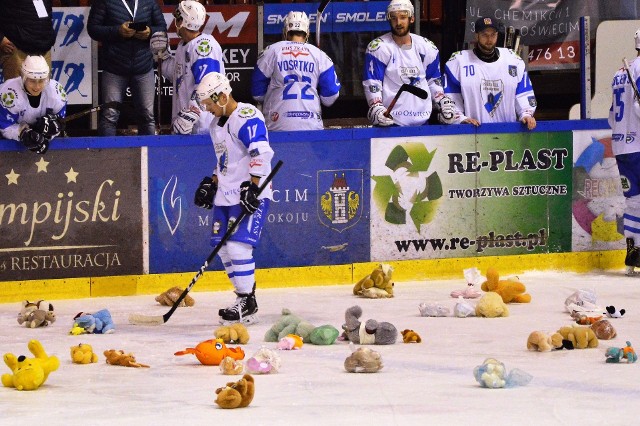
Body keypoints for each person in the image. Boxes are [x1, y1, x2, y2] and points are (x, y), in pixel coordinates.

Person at [194, 72, 274, 325]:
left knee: (239, 246)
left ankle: (248, 302)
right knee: (223, 249)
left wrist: (253, 187)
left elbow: (260, 152)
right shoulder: (215, 125)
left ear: (221, 96)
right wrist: (211, 182)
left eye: (208, 103)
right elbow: (225, 161)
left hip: (247, 193)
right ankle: (242, 297)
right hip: (225, 194)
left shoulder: (247, 117)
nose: (207, 109)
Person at [362, 0, 455, 127]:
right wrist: (376, 106)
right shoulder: (379, 47)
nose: (398, 22)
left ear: (412, 19)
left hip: (423, 122)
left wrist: (441, 101)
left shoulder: (427, 47)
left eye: (403, 17)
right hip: (390, 122)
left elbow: (433, 80)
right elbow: (373, 83)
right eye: (393, 18)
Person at [251, 11, 341, 131]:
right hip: (311, 125)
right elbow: (330, 97)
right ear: (307, 32)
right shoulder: (320, 56)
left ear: (286, 31)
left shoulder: (271, 51)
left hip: (277, 124)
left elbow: (257, 94)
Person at [87, 0, 166, 136]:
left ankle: (150, 155)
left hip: (143, 67)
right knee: (109, 116)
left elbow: (162, 27)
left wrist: (150, 32)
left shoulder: (150, 1)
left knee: (147, 117)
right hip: (114, 68)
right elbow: (93, 28)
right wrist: (117, 31)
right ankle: (106, 156)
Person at [443, 17, 537, 130]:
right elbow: (450, 96)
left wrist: (526, 114)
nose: (489, 39)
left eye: (493, 34)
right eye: (484, 35)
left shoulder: (513, 60)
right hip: (473, 133)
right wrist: (460, 119)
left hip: (509, 133)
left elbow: (523, 93)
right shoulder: (458, 61)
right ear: (476, 36)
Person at [150, 1, 225, 135]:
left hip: (204, 126)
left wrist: (191, 114)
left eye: (177, 19)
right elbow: (178, 76)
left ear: (181, 22)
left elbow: (210, 87)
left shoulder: (204, 47)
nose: (175, 23)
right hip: (185, 124)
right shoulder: (184, 45)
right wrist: (162, 56)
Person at [609, 29, 640, 275]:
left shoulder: (621, 73)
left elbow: (612, 116)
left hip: (622, 145)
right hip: (639, 144)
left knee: (634, 201)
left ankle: (633, 252)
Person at [0, 55, 66, 154]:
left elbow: (59, 124)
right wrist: (22, 133)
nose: (37, 86)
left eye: (41, 80)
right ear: (23, 77)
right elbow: (4, 127)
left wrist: (50, 133)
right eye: (32, 80)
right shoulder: (9, 94)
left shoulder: (57, 93)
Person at [0, 0, 55, 81]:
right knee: (16, 91)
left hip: (44, 48)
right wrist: (1, 38)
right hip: (17, 49)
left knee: (44, 90)